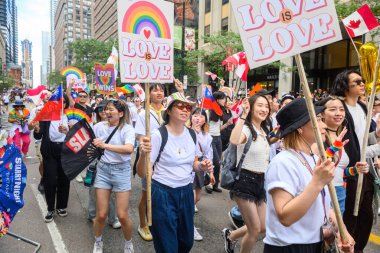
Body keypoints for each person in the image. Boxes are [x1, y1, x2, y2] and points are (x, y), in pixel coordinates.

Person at [264, 98, 355, 253]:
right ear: (300, 128)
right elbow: (285, 217)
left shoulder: (312, 158)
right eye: (318, 120)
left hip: (314, 244)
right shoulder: (283, 162)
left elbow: (325, 204)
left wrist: (342, 232)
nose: (324, 125)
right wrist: (317, 183)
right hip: (289, 247)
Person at [137, 92, 213, 253]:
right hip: (163, 193)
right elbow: (142, 173)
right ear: (169, 111)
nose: (185, 110)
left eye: (188, 107)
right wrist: (143, 154)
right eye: (180, 106)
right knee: (167, 246)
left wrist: (202, 166)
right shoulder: (158, 135)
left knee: (186, 242)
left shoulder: (192, 134)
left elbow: (192, 164)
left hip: (186, 192)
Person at [330, 70, 380, 252]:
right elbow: (348, 146)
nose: (362, 84)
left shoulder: (363, 107)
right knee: (349, 218)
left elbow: (365, 138)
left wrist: (376, 135)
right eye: (357, 81)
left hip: (364, 171)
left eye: (363, 81)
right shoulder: (339, 109)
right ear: (344, 85)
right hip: (348, 172)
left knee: (366, 218)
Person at [223, 94, 271, 253]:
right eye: (260, 105)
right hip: (244, 181)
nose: (264, 109)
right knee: (254, 229)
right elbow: (234, 140)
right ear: (251, 108)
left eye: (266, 106)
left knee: (262, 226)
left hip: (260, 182)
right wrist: (243, 115)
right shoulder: (246, 128)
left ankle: (231, 236)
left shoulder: (264, 130)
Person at [91, 99, 135, 253]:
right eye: (106, 109)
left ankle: (128, 243)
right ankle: (98, 241)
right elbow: (85, 138)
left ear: (121, 113)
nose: (107, 112)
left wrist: (104, 145)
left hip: (121, 171)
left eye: (111, 110)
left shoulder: (127, 129)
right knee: (101, 214)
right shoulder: (98, 127)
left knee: (122, 216)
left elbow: (129, 149)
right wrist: (66, 130)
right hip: (103, 170)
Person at [316, 96, 369, 215]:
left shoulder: (343, 136)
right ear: (322, 114)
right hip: (325, 190)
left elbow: (340, 172)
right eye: (333, 109)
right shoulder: (318, 136)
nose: (338, 113)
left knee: (336, 232)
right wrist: (333, 148)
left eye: (341, 109)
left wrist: (355, 170)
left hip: (340, 190)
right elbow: (318, 164)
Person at [134, 83, 165, 241]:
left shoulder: (168, 111)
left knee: (161, 193)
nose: (159, 92)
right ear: (149, 93)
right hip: (149, 158)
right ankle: (142, 224)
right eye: (155, 90)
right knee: (146, 194)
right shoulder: (144, 113)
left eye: (161, 90)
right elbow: (140, 136)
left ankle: (159, 222)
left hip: (166, 160)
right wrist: (144, 146)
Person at [33, 94, 71, 223]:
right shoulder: (46, 117)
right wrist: (37, 129)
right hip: (49, 151)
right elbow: (38, 136)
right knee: (50, 180)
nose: (61, 104)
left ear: (66, 104)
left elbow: (76, 136)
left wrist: (67, 131)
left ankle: (61, 206)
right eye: (58, 102)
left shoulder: (70, 117)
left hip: (65, 151)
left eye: (64, 102)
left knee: (64, 179)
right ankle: (50, 208)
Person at [87, 100, 121, 229]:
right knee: (93, 189)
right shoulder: (96, 126)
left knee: (111, 192)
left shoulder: (119, 125)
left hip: (112, 163)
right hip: (96, 162)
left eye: (106, 109)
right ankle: (92, 214)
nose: (104, 112)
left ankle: (113, 218)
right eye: (100, 110)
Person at [189, 108, 215, 241]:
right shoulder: (185, 131)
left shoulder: (207, 136)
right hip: (187, 168)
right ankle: (190, 227)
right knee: (191, 199)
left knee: (197, 198)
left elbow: (208, 155)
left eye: (201, 116)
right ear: (191, 117)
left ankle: (184, 220)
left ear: (205, 119)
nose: (197, 118)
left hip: (200, 168)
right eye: (195, 115)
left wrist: (211, 172)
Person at [28, 91, 52, 193]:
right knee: (43, 162)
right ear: (42, 97)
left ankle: (52, 180)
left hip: (55, 142)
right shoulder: (36, 110)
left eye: (51, 95)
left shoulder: (57, 110)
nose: (48, 96)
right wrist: (36, 120)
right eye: (46, 95)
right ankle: (44, 179)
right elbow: (29, 126)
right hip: (41, 141)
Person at [207, 91, 227, 193]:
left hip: (218, 138)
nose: (225, 100)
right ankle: (209, 182)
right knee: (215, 162)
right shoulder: (209, 111)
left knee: (219, 162)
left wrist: (228, 124)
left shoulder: (221, 111)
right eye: (223, 98)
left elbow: (219, 128)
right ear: (217, 100)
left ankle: (215, 185)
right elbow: (205, 126)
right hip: (210, 138)